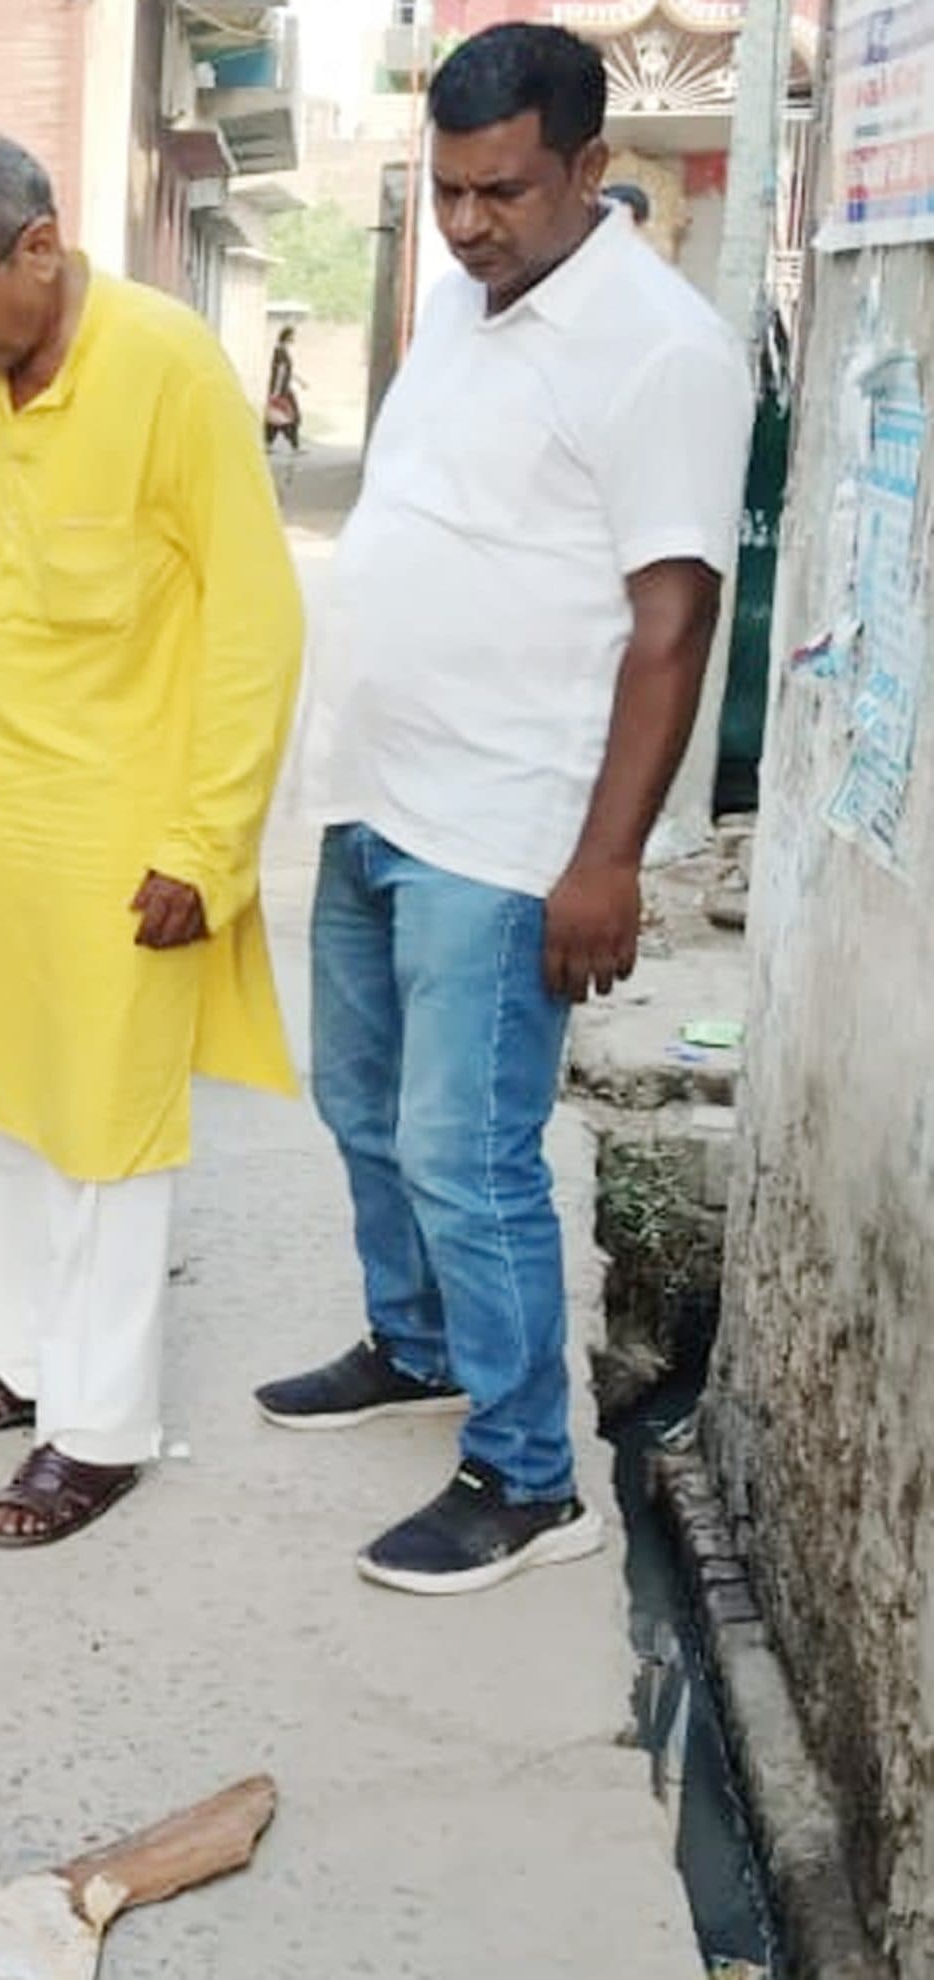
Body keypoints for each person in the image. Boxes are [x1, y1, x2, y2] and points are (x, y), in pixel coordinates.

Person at [259, 24, 752, 1596]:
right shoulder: (468, 304)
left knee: (468, 1155)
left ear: (590, 168)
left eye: (505, 192)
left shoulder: (660, 351)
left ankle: (531, 1478)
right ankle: (415, 1344)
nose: (469, 223)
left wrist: (607, 861)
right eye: (449, 189)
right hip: (381, 791)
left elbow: (673, 624)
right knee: (363, 1109)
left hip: (507, 823)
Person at [0, 131, 304, 1549]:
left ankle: (99, 1432)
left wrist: (208, 845)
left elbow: (255, 621)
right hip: (0, 812)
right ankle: (16, 1363)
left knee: (102, 1142)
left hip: (129, 828)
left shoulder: (165, 366)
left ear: (39, 248)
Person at [265, 325, 303, 454]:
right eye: (292, 335)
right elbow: (280, 373)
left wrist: (300, 381)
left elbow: (286, 371)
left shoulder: (282, 350)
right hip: (281, 391)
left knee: (276, 419)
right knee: (291, 417)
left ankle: (269, 444)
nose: (294, 338)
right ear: (287, 336)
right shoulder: (280, 351)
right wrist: (276, 393)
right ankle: (294, 446)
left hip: (282, 389)